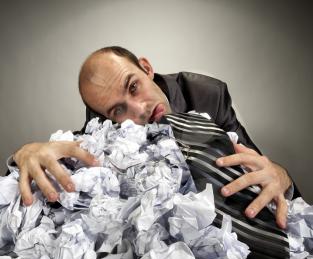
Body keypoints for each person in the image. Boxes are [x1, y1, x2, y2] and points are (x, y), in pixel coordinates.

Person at [12, 46, 297, 229]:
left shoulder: (207, 95)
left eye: (134, 87)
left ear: (146, 68)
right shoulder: (103, 127)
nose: (140, 110)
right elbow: (60, 154)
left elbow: (261, 166)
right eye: (119, 109)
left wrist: (281, 177)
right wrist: (25, 152)